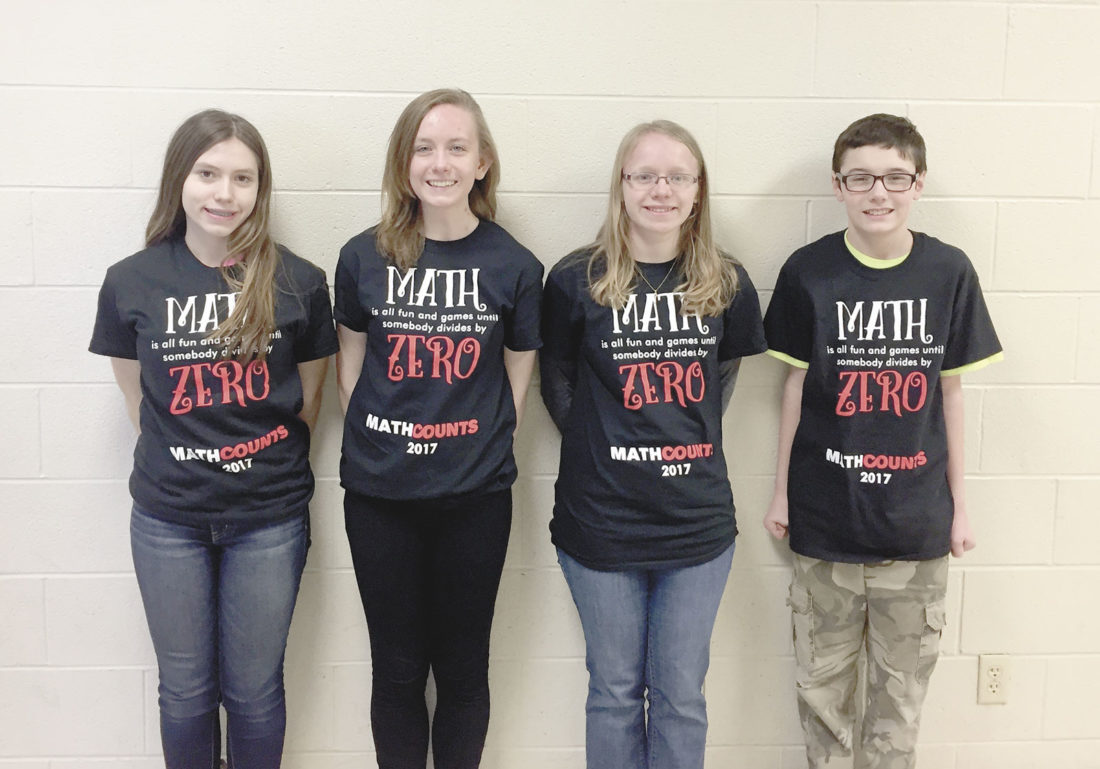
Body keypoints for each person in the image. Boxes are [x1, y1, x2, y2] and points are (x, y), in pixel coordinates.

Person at [89, 109, 338, 769]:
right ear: (180, 178)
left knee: (254, 693)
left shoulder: (299, 282)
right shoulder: (131, 281)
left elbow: (309, 399)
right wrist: (192, 457)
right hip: (168, 519)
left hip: (268, 517)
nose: (224, 193)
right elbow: (139, 400)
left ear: (260, 188)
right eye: (207, 173)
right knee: (186, 692)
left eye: (242, 178)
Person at [762, 113, 1003, 769]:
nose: (878, 193)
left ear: (918, 183)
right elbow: (793, 387)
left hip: (914, 527)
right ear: (837, 184)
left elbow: (951, 394)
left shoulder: (948, 271)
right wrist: (781, 493)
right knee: (822, 699)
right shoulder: (808, 271)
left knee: (898, 711)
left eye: (895, 177)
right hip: (825, 522)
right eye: (861, 177)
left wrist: (960, 507)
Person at [540, 120, 767, 769]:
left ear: (698, 191)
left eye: (677, 177)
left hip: (696, 526)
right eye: (644, 175)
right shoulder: (575, 279)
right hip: (599, 521)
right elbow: (557, 382)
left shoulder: (726, 281)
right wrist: (604, 445)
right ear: (622, 185)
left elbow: (720, 382)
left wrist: (675, 442)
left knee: (680, 695)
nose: (660, 190)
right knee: (613, 692)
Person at [334, 88, 543, 769]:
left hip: (474, 498)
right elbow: (350, 368)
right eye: (423, 148)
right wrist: (386, 442)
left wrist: (476, 445)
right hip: (380, 495)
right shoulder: (362, 257)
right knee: (396, 670)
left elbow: (517, 376)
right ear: (404, 163)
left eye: (457, 147)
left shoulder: (515, 266)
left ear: (482, 163)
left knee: (463, 669)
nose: (440, 162)